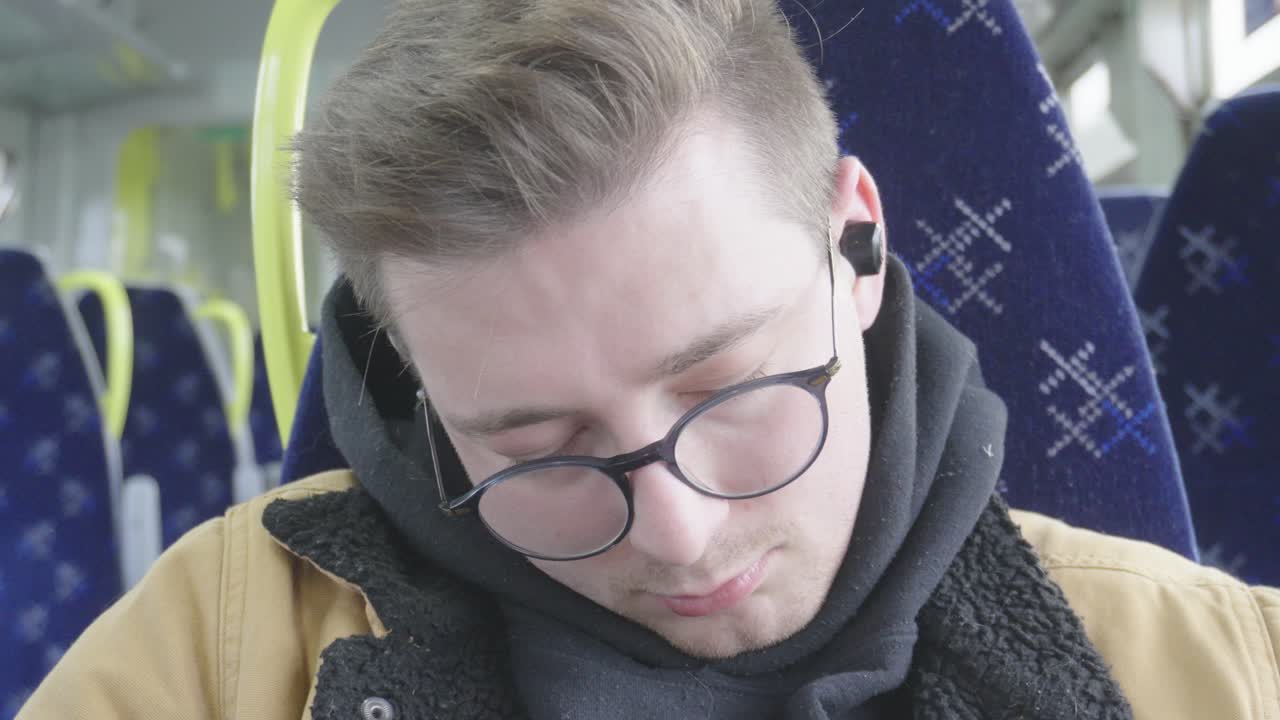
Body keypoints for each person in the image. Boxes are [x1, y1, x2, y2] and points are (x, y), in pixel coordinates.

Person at [20, 1, 1279, 718]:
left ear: (854, 245)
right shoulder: (215, 653)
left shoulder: (1213, 668)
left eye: (730, 390)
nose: (676, 536)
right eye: (534, 448)